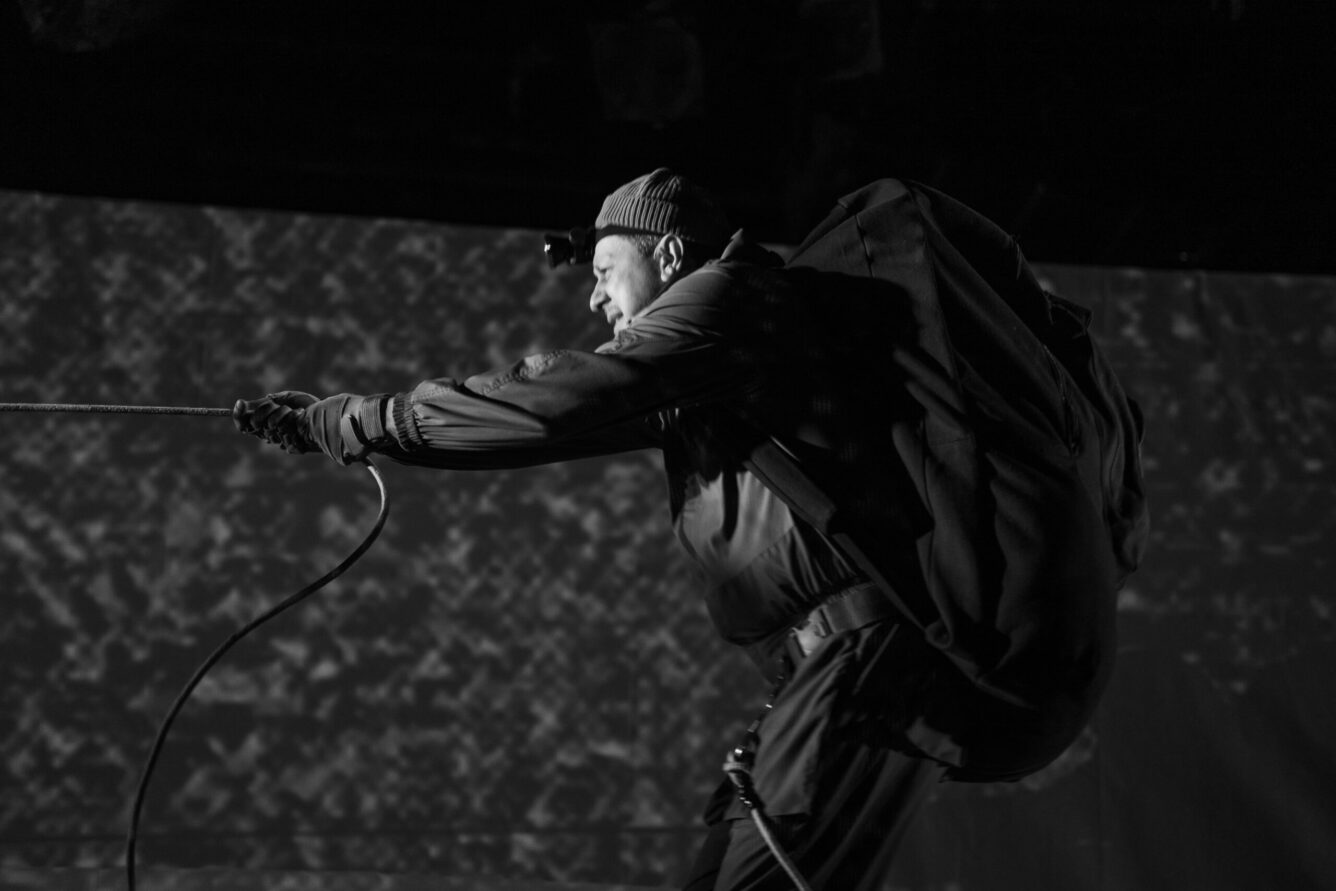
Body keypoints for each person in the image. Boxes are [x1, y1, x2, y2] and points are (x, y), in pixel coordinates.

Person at [234, 168, 1147, 889]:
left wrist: (356, 419)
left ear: (668, 253)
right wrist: (333, 425)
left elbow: (555, 402)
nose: (595, 300)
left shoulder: (733, 300)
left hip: (873, 664)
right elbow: (558, 408)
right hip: (839, 676)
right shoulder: (719, 359)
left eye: (605, 272)